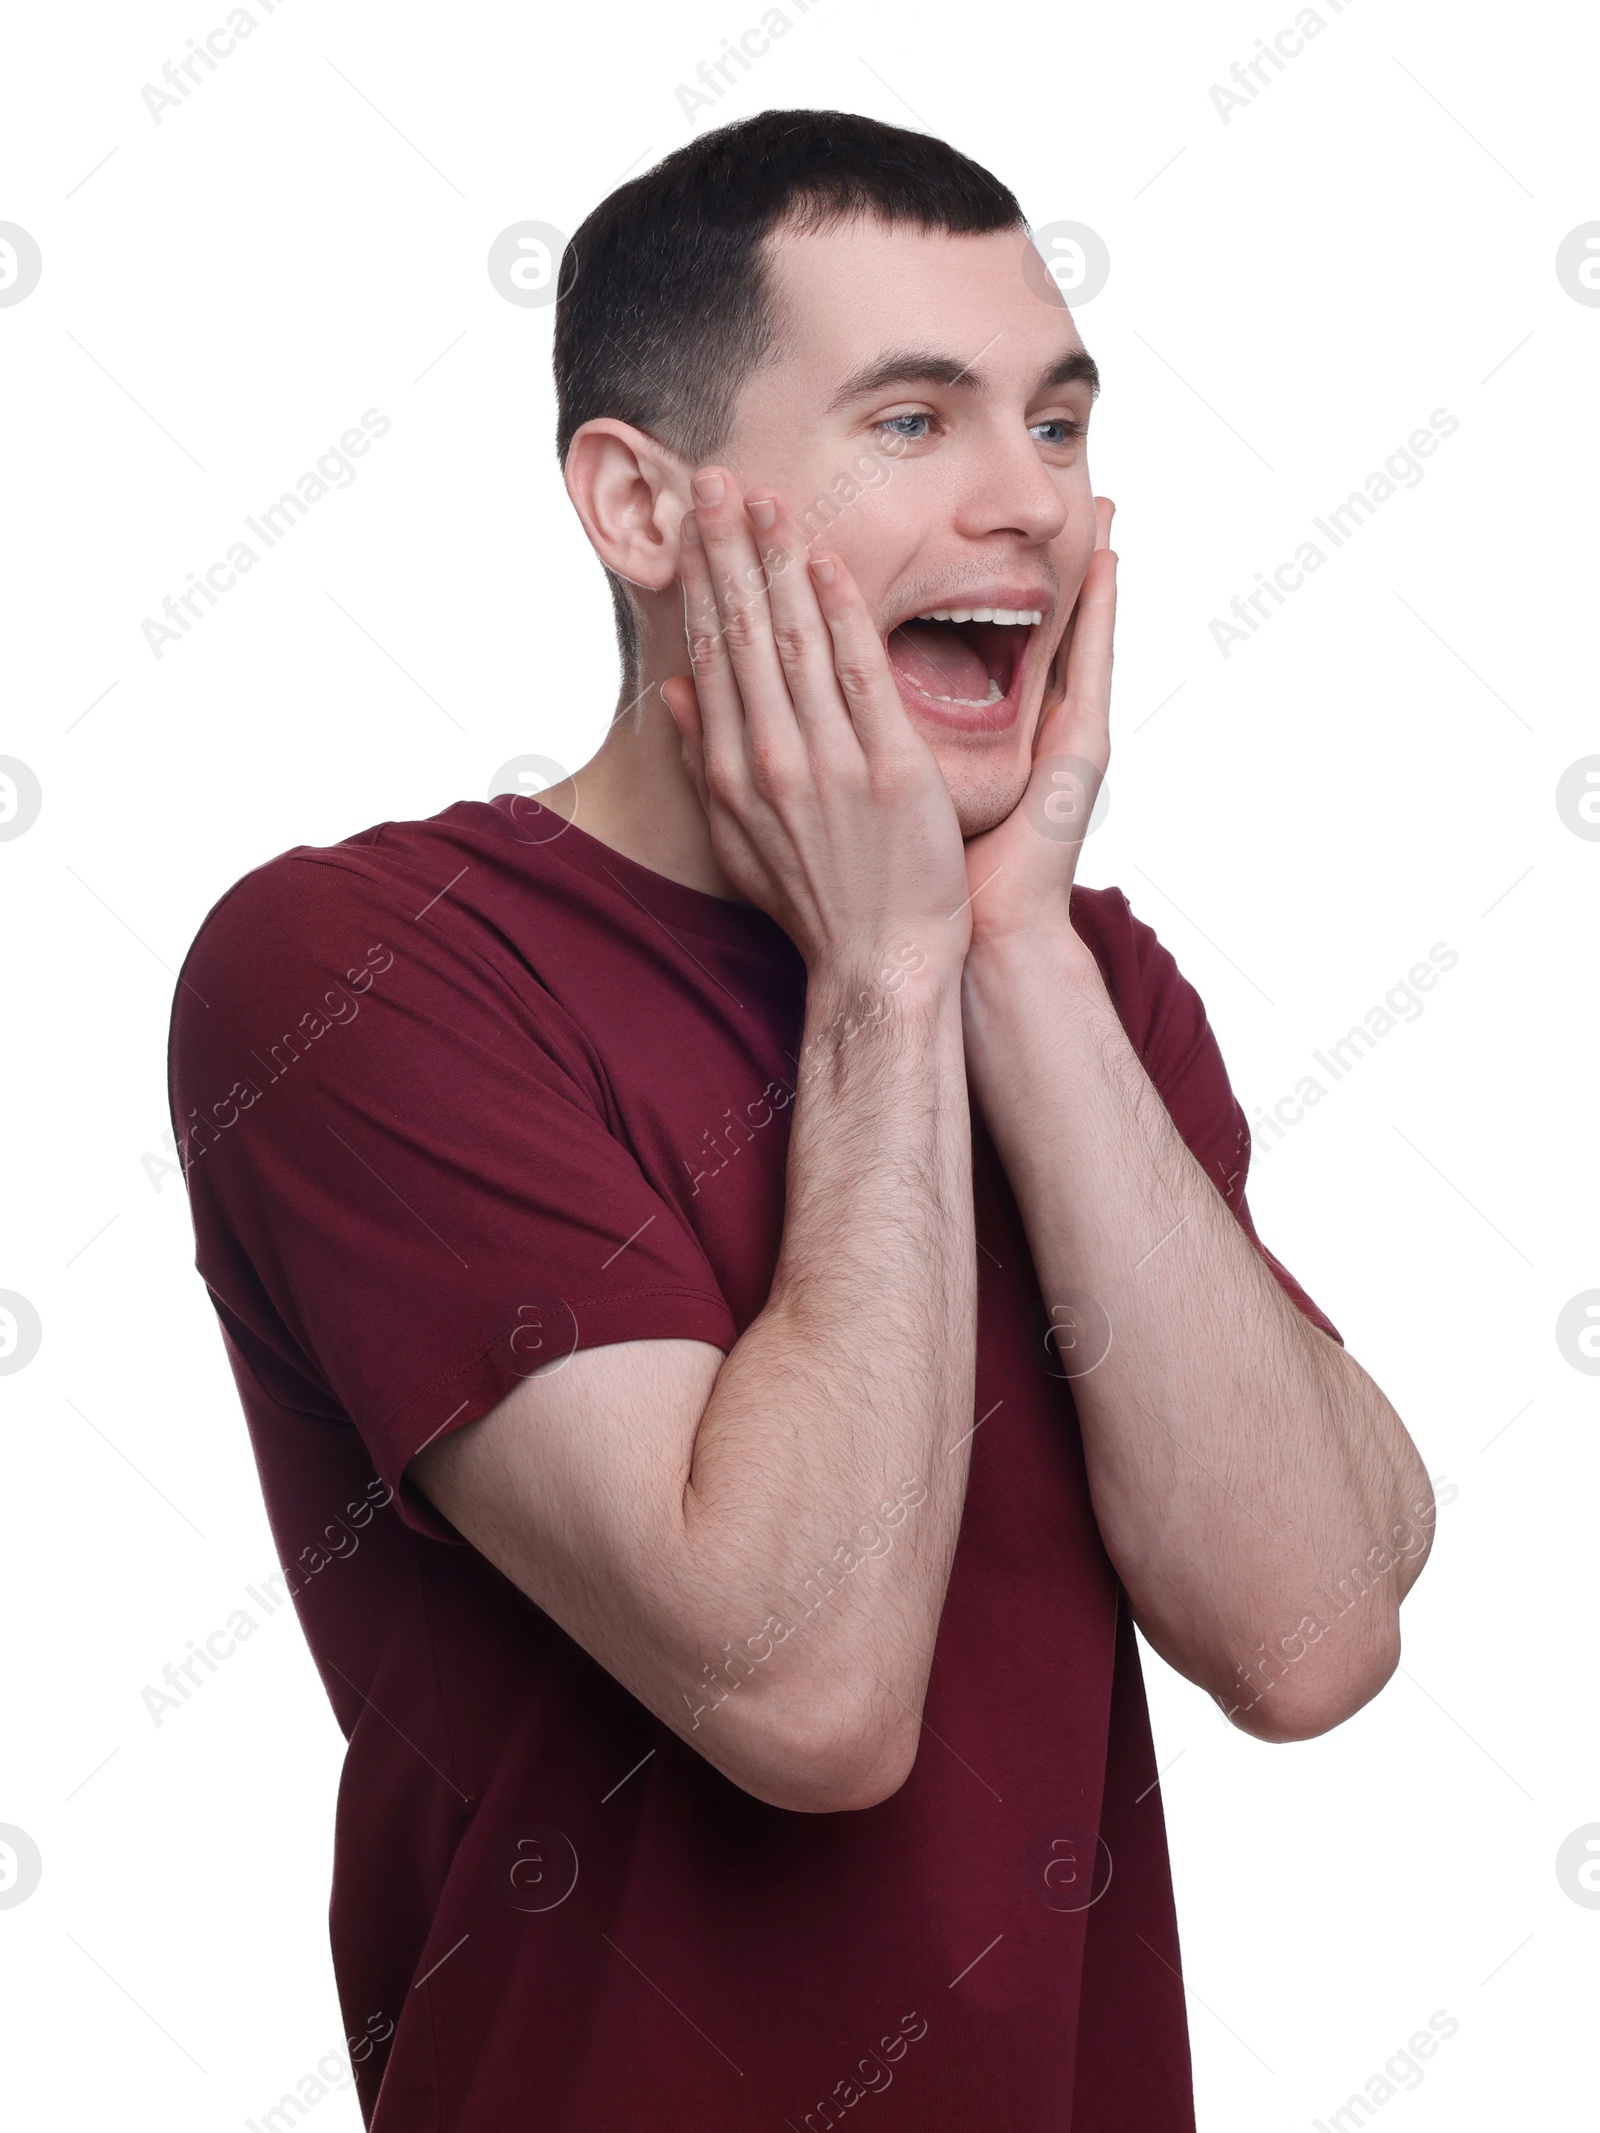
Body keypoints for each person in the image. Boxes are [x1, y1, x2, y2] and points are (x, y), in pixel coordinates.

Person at [169, 108, 1435, 2132]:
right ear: (640, 506)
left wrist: (1004, 944)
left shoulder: (1083, 986)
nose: (1027, 502)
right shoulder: (357, 966)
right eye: (912, 421)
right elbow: (804, 1687)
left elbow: (1305, 1631)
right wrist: (881, 979)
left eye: (1056, 422)